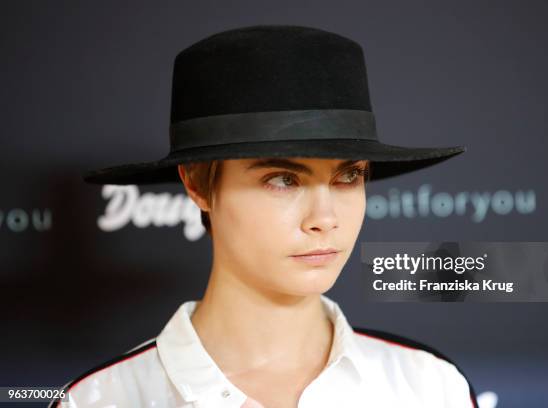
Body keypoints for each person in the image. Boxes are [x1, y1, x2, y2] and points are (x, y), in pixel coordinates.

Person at [51, 25, 478, 407]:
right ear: (198, 184)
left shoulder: (429, 388)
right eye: (283, 180)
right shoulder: (101, 401)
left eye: (349, 176)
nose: (324, 218)